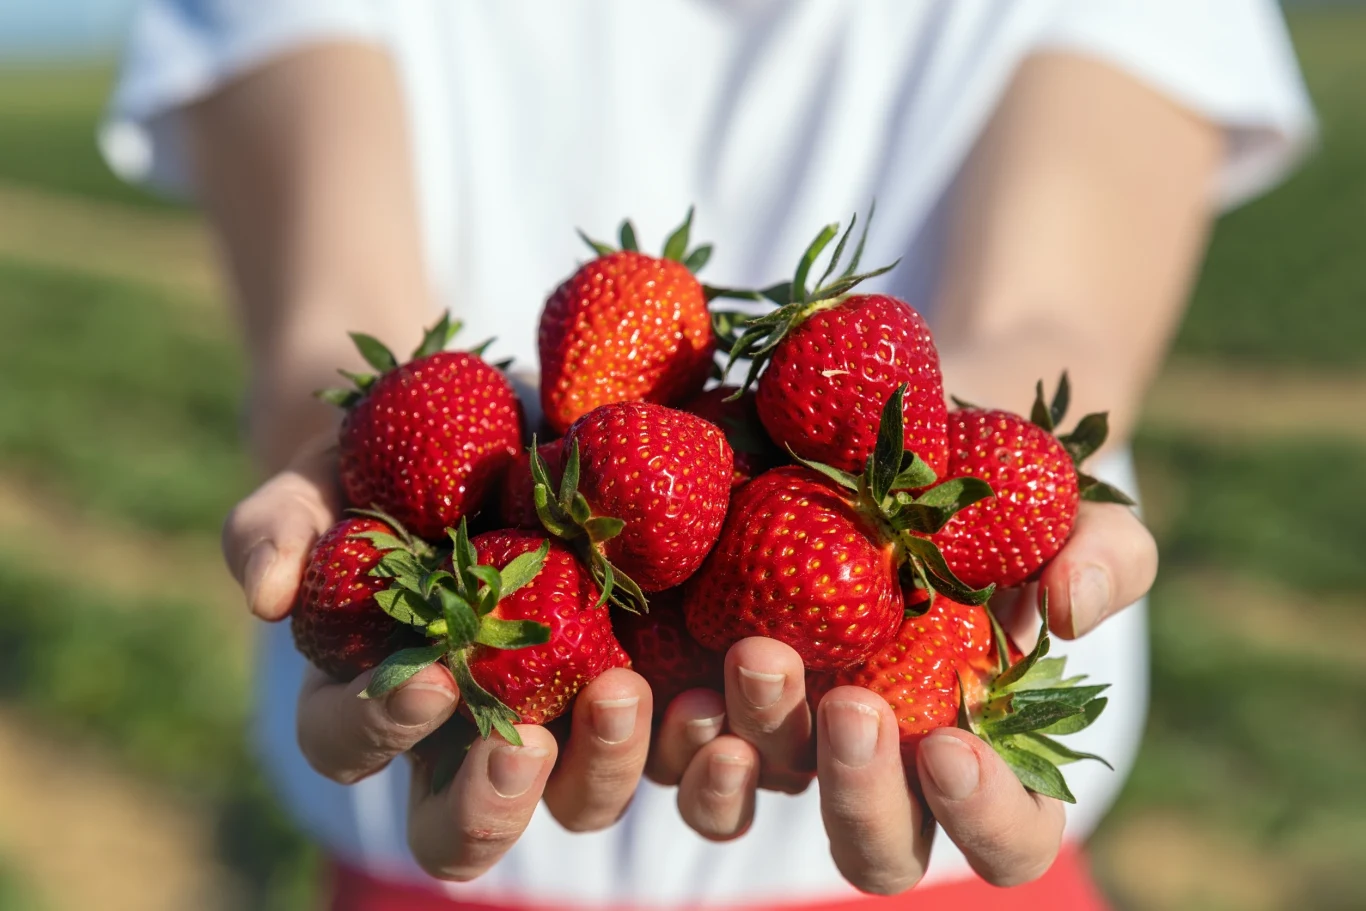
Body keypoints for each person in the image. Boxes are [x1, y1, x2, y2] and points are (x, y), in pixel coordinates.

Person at [103, 1, 1314, 908]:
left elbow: (1051, 320)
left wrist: (998, 490)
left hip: (950, 878)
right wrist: (375, 490)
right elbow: (327, 333)